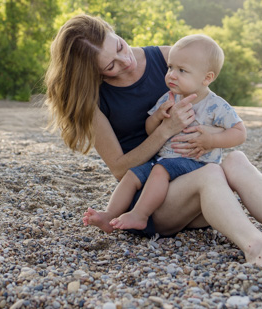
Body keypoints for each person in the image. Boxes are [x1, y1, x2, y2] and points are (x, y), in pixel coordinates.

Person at [44, 14, 262, 267]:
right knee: (210, 173)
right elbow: (121, 170)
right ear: (92, 72)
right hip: (151, 201)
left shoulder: (167, 58)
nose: (126, 61)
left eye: (120, 46)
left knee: (236, 159)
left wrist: (210, 138)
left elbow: (208, 104)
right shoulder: (93, 101)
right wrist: (164, 130)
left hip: (197, 188)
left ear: (114, 31)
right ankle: (257, 248)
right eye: (110, 66)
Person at [84, 33, 246, 233]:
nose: (172, 74)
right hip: (163, 158)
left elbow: (239, 133)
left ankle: (139, 215)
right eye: (170, 68)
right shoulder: (168, 98)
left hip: (191, 161)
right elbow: (149, 129)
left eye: (181, 70)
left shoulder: (216, 105)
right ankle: (110, 215)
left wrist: (211, 139)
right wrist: (158, 118)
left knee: (161, 171)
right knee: (132, 175)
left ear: (207, 78)